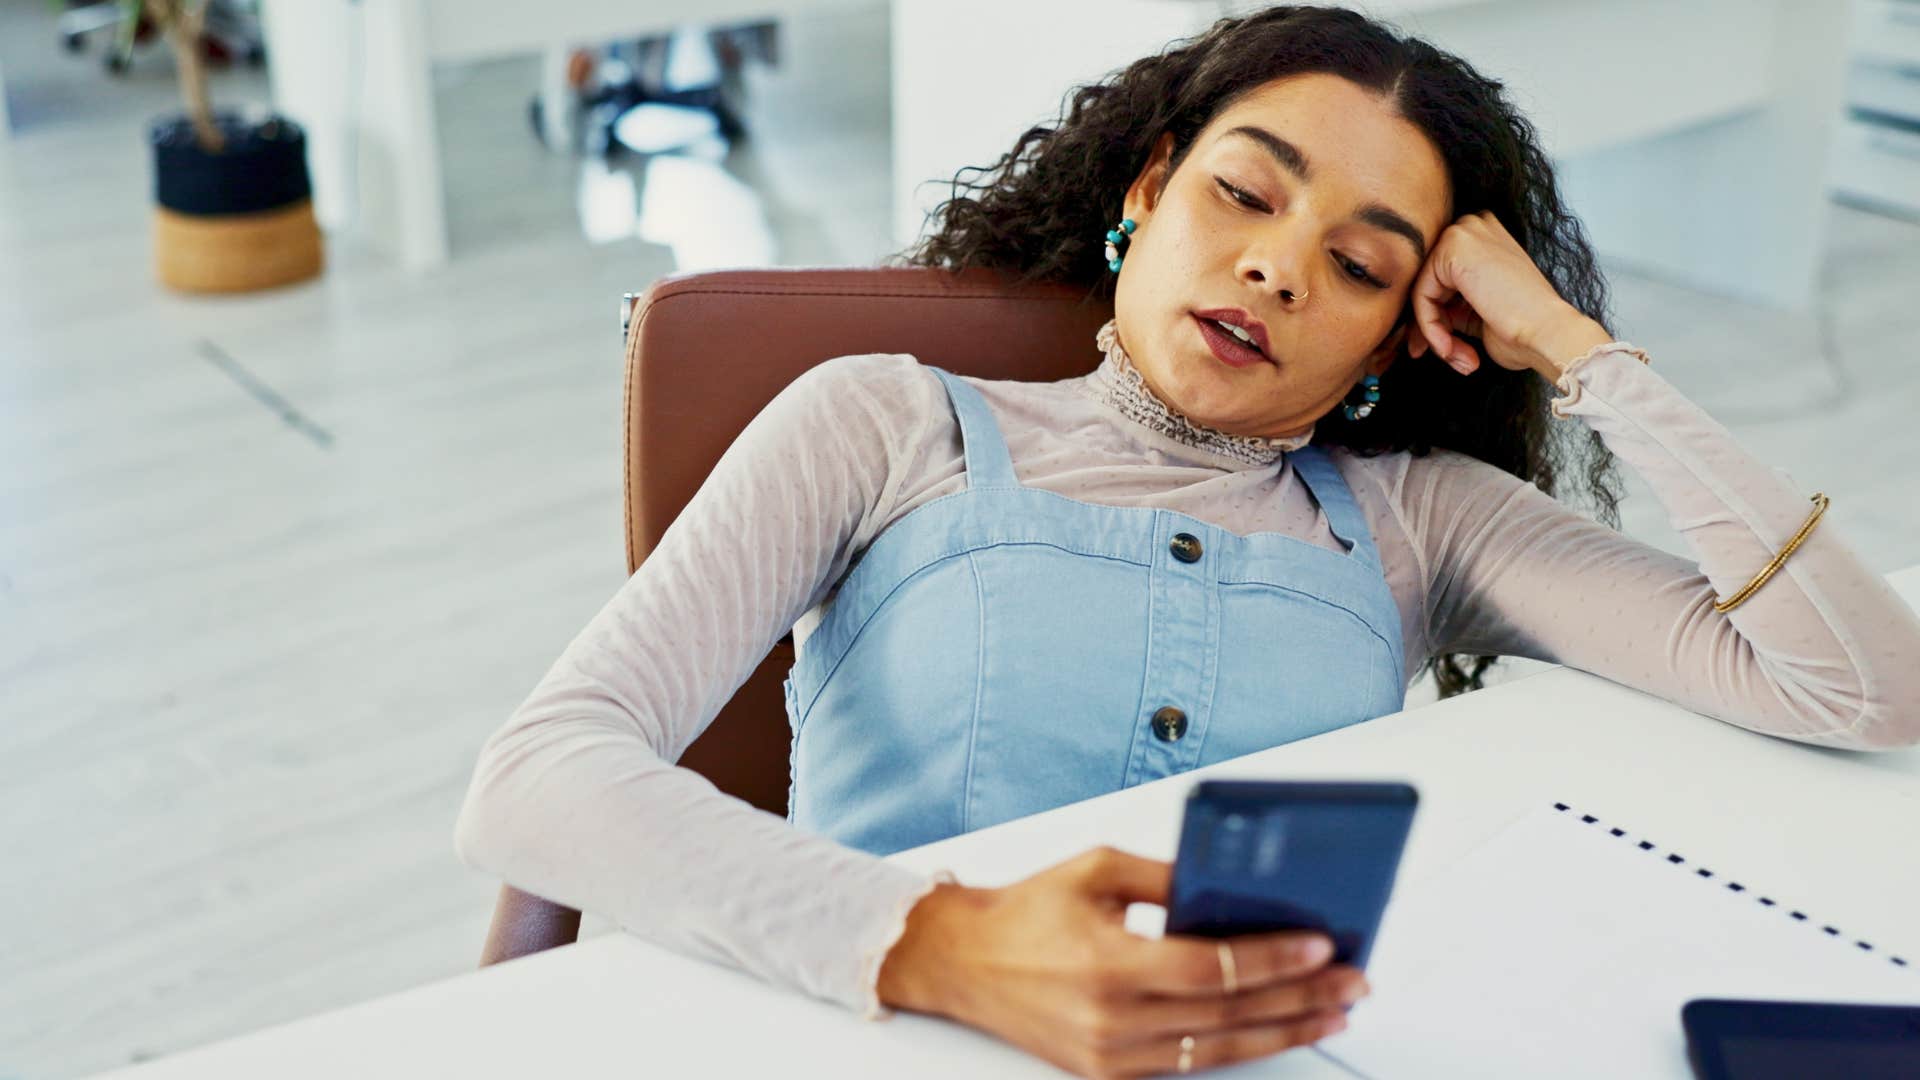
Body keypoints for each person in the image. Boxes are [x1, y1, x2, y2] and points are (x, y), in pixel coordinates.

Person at [454, 6, 1920, 1077]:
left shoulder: (1421, 518)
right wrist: (939, 942)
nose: (1281, 266)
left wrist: (1575, 348)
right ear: (1148, 189)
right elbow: (542, 774)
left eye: (1359, 264)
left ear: (1391, 337)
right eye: (1243, 191)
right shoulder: (884, 421)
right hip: (880, 1036)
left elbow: (1858, 689)